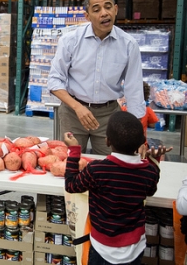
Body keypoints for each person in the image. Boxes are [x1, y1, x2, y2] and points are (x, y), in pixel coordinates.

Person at [63, 111, 170, 265]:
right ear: (143, 141)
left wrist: (74, 151)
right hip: (135, 248)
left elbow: (71, 185)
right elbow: (150, 190)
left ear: (107, 141)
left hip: (102, 249)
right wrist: (153, 161)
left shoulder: (96, 170)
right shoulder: (148, 171)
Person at [48, 0, 145, 155]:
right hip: (73, 113)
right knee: (69, 162)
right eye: (96, 9)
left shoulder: (128, 44)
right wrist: (77, 107)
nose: (104, 13)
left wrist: (139, 135)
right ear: (87, 16)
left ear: (115, 10)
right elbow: (54, 81)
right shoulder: (70, 41)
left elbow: (134, 89)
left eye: (108, 7)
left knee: (110, 165)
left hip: (109, 116)